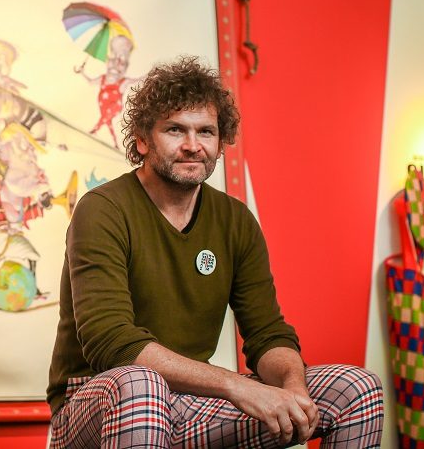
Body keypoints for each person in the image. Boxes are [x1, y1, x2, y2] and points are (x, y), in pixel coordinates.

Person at [46, 57, 383, 448]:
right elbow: (113, 343)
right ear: (142, 140)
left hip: (190, 401)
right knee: (143, 387)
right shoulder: (103, 209)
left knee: (357, 389)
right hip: (95, 402)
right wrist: (235, 386)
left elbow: (267, 333)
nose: (193, 146)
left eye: (206, 132)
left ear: (220, 143)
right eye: (175, 130)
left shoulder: (235, 220)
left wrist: (294, 388)